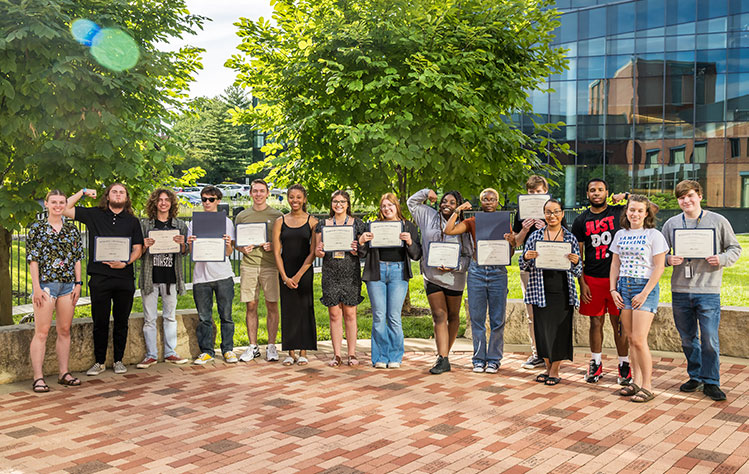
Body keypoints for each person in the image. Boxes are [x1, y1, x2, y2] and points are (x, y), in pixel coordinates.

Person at [662, 180, 742, 401]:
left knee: (709, 338)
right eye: (681, 198)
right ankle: (695, 376)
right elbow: (660, 253)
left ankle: (712, 381)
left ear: (699, 195)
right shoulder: (671, 223)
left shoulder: (718, 221)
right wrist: (669, 259)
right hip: (680, 290)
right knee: (688, 339)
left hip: (708, 289)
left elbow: (735, 247)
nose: (686, 201)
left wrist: (722, 258)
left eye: (690, 196)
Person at [64, 184, 144, 376]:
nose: (118, 195)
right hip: (100, 278)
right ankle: (99, 362)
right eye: (114, 192)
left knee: (121, 321)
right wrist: (82, 192)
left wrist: (125, 264)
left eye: (122, 192)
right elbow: (65, 208)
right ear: (107, 196)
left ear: (126, 197)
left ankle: (118, 360)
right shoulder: (94, 215)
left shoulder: (133, 221)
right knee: (99, 321)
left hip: (124, 277)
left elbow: (138, 249)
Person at [571, 179, 633, 385]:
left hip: (617, 278)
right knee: (595, 322)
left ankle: (624, 364)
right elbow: (578, 255)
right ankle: (595, 363)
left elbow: (649, 208)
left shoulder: (619, 212)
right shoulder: (581, 221)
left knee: (619, 325)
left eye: (600, 190)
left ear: (607, 192)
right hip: (592, 278)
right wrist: (582, 282)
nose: (596, 193)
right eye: (592, 190)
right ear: (587, 194)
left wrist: (626, 196)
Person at [444, 188, 512, 374]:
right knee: (477, 318)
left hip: (498, 271)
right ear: (481, 202)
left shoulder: (504, 222)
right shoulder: (473, 221)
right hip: (477, 271)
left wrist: (511, 242)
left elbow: (510, 253)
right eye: (485, 199)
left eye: (492, 199)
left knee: (497, 319)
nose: (489, 202)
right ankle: (479, 359)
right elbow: (448, 230)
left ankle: (494, 359)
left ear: (498, 202)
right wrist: (458, 210)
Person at [610, 194, 668, 403]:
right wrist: (613, 290)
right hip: (623, 287)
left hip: (644, 287)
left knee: (639, 339)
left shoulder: (654, 235)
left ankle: (648, 386)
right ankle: (634, 381)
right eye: (632, 209)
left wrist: (644, 293)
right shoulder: (620, 234)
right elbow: (615, 264)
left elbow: (659, 267)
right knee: (630, 339)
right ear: (627, 211)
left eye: (639, 211)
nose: (635, 214)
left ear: (646, 214)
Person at [407, 188, 472, 374]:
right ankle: (442, 357)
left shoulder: (464, 226)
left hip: (455, 278)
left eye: (452, 203)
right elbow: (412, 203)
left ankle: (446, 354)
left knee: (452, 317)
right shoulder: (428, 215)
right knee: (439, 315)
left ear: (458, 205)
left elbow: (469, 255)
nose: (446, 205)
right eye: (444, 201)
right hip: (431, 275)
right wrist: (427, 192)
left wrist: (456, 266)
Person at [519, 199, 582, 386]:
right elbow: (523, 265)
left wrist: (576, 261)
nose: (552, 215)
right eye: (548, 212)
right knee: (543, 332)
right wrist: (525, 257)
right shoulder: (535, 236)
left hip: (562, 292)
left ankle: (555, 371)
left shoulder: (569, 238)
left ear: (562, 214)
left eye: (556, 212)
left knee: (559, 332)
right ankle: (547, 368)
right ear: (543, 214)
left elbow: (577, 271)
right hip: (540, 291)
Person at [28, 190, 84, 392]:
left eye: (62, 202)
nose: (58, 206)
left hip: (68, 286)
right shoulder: (37, 228)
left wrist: (78, 283)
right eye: (54, 202)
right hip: (46, 285)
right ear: (46, 204)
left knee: (64, 330)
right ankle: (38, 377)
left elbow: (77, 258)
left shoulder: (72, 230)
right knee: (42, 332)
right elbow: (33, 260)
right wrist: (36, 288)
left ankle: (63, 373)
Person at [359, 193, 422, 369]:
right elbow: (362, 253)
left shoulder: (408, 226)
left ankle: (395, 356)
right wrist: (362, 241)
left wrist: (409, 241)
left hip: (398, 272)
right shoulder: (373, 226)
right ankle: (380, 356)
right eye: (383, 206)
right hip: (376, 272)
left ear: (397, 206)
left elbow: (416, 254)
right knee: (379, 316)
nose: (387, 209)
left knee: (394, 316)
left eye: (390, 205)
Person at [136, 188, 189, 369]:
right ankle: (150, 355)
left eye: (167, 200)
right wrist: (144, 245)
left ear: (171, 204)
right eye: (160, 200)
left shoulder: (180, 225)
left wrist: (182, 244)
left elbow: (185, 252)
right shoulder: (145, 225)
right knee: (149, 318)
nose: (163, 203)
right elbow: (139, 253)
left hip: (170, 277)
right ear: (154, 203)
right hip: (150, 276)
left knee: (170, 316)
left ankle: (170, 352)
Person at [315, 190, 365, 367]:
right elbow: (316, 251)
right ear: (331, 204)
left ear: (348, 204)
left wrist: (356, 249)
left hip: (350, 272)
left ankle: (351, 353)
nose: (339, 205)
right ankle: (336, 354)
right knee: (334, 314)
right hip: (330, 272)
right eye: (335, 201)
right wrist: (319, 251)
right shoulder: (322, 224)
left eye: (342, 201)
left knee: (350, 313)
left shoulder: (357, 224)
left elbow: (363, 250)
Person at [234, 179, 283, 363]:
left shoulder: (277, 215)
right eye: (255, 191)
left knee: (272, 305)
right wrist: (241, 249)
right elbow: (236, 243)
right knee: (251, 305)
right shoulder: (243, 216)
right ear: (250, 193)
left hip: (270, 266)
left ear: (268, 193)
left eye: (262, 191)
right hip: (249, 266)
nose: (258, 194)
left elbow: (283, 242)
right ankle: (253, 346)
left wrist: (274, 246)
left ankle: (271, 346)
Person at [187, 186, 237, 365]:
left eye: (211, 199)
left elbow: (229, 252)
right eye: (204, 199)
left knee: (226, 315)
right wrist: (191, 243)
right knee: (204, 317)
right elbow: (192, 253)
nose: (207, 202)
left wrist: (227, 243)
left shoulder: (227, 223)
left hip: (223, 275)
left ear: (218, 201)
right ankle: (207, 351)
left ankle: (228, 350)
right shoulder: (194, 222)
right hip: (201, 277)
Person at [272, 184, 318, 366]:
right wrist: (284, 276)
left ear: (304, 199)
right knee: (289, 310)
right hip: (286, 271)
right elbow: (276, 252)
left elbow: (313, 252)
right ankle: (290, 352)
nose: (295, 200)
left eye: (298, 197)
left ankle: (303, 351)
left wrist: (298, 276)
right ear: (287, 198)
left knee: (304, 309)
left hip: (304, 271)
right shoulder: (280, 221)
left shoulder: (313, 222)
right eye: (291, 197)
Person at [511, 175, 548, 370]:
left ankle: (551, 352)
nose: (535, 195)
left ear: (545, 192)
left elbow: (566, 240)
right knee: (531, 312)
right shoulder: (521, 213)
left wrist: (548, 227)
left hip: (550, 268)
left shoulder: (553, 210)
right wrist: (524, 230)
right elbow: (516, 242)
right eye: (531, 192)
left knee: (549, 311)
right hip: (529, 267)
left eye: (539, 191)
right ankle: (537, 353)